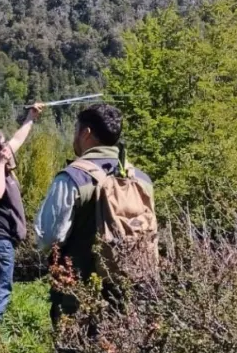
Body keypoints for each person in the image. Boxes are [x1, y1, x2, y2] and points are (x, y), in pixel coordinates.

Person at [33, 103, 154, 326]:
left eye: (75, 129)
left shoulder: (72, 178)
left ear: (86, 133)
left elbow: (48, 237)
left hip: (79, 296)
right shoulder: (142, 179)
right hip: (132, 293)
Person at [0, 103, 45, 325]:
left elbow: (18, 139)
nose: (7, 149)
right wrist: (1, 165)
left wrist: (31, 116)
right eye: (1, 147)